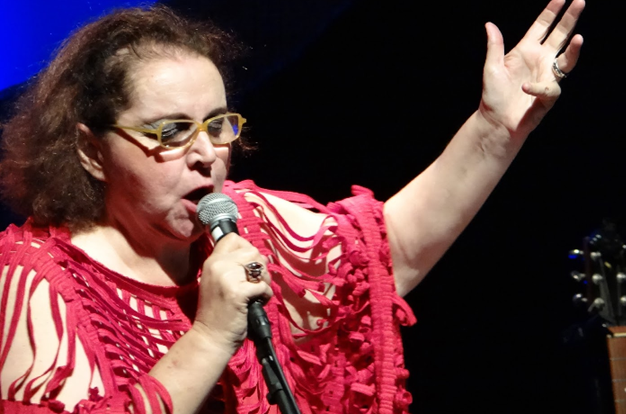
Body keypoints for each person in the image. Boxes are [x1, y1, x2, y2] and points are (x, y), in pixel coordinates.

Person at [0, 0, 584, 413]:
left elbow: (387, 258)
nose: (206, 155)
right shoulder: (37, 280)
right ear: (91, 150)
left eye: (217, 125)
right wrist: (210, 335)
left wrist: (494, 129)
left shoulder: (248, 226)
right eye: (171, 131)